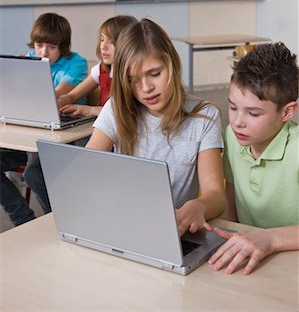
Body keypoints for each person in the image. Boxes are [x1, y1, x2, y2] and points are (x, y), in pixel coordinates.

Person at [86, 19, 226, 236]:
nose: (146, 88)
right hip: (121, 223)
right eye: (133, 80)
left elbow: (215, 194)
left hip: (172, 231)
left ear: (173, 65)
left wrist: (199, 206)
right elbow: (87, 165)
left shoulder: (205, 116)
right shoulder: (116, 109)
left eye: (154, 74)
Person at [208, 42, 299, 275]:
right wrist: (220, 241)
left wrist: (270, 238)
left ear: (287, 112)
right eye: (233, 107)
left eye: (253, 113)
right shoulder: (233, 135)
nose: (238, 121)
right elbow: (230, 197)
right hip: (251, 260)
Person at [1, 12, 88, 226]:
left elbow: (55, 95)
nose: (43, 52)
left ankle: (61, 222)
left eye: (51, 47)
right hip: (29, 140)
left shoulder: (76, 63)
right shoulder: (31, 57)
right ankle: (22, 218)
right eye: (39, 45)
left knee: (33, 174)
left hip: (62, 140)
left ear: (63, 45)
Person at [58, 15, 138, 117]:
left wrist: (91, 110)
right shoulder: (101, 69)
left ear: (129, 44)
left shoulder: (136, 74)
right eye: (102, 39)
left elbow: (128, 113)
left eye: (112, 42)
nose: (103, 47)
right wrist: (60, 102)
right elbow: (72, 96)